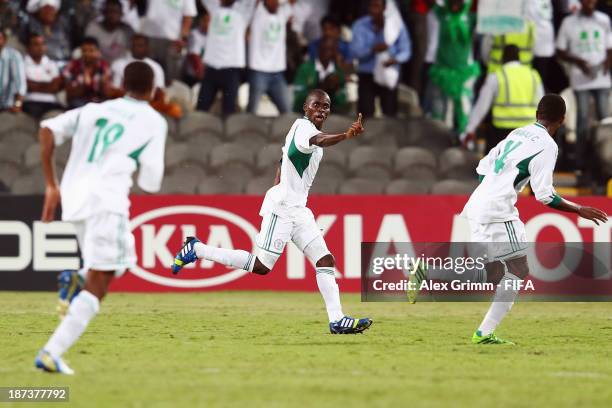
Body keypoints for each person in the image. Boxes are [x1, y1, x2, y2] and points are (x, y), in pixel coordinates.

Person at [409, 94, 608, 344]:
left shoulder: (517, 133)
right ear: (563, 120)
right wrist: (579, 209)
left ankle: (430, 272)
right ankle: (484, 332)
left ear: (537, 114)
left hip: (477, 204)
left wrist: (493, 190)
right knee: (518, 269)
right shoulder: (547, 145)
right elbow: (545, 195)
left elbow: (483, 168)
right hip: (498, 210)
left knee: (494, 273)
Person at [172, 89, 373, 335]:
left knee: (325, 260)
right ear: (306, 108)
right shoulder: (304, 128)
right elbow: (318, 141)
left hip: (298, 209)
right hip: (283, 209)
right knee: (262, 266)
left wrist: (278, 183)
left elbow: (283, 159)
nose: (321, 110)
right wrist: (346, 135)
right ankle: (197, 249)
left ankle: (337, 319)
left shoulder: (305, 130)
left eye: (326, 106)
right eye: (316, 105)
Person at [34, 61, 167, 375]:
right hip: (107, 200)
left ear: (123, 85)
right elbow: (151, 182)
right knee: (103, 279)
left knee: (113, 265)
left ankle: (78, 278)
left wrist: (51, 184)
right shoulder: (153, 121)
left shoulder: (93, 110)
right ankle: (51, 352)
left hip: (75, 198)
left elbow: (46, 130)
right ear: (153, 90)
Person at [556, 0, 612, 183]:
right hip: (580, 80)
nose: (589, 2)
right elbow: (560, 51)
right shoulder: (569, 23)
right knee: (581, 122)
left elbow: (610, 48)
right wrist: (579, 62)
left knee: (605, 121)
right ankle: (581, 164)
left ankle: (606, 163)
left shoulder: (604, 20)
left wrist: (606, 63)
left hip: (601, 79)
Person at [462, 45, 544, 152]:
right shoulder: (533, 75)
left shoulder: (497, 76)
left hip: (501, 133)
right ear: (519, 58)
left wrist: (470, 129)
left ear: (503, 58)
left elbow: (481, 106)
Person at [350, 0, 411, 117]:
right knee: (365, 116)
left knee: (390, 114)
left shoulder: (396, 26)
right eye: (371, 6)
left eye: (377, 6)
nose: (373, 10)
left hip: (388, 73)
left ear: (384, 8)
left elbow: (406, 50)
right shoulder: (360, 25)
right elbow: (355, 52)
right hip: (367, 73)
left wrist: (395, 59)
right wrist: (372, 50)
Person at [427, 0, 479, 134]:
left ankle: (465, 136)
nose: (455, 3)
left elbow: (487, 18)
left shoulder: (471, 17)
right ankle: (445, 137)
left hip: (464, 71)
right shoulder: (441, 14)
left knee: (464, 105)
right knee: (445, 107)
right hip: (444, 70)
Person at [197, 0, 257, 115]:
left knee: (229, 112)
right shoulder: (214, 7)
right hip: (211, 67)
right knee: (201, 108)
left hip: (231, 69)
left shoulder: (243, 12)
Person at [111, 34, 182, 118]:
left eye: (140, 45)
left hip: (148, 105)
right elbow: (115, 90)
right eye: (134, 45)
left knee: (175, 110)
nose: (136, 48)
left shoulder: (156, 67)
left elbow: (159, 93)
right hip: (124, 103)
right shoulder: (118, 64)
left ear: (147, 48)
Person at [246, 0, 295, 114]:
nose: (275, 3)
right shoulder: (257, 12)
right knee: (251, 113)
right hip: (258, 72)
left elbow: (292, 2)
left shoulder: (282, 13)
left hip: (277, 74)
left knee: (288, 112)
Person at [140, 0, 197, 82]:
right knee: (147, 73)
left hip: (173, 39)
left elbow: (188, 16)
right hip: (148, 36)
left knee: (171, 77)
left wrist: (182, 39)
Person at [293, 38, 348, 113]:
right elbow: (298, 98)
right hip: (304, 114)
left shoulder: (338, 72)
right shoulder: (305, 68)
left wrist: (334, 90)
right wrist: (321, 88)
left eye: (331, 49)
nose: (327, 53)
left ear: (335, 52)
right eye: (324, 49)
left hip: (331, 116)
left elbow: (343, 101)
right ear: (319, 50)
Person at [23, 32, 63, 118]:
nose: (40, 47)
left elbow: (55, 87)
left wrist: (34, 85)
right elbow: (26, 85)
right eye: (36, 44)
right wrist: (47, 85)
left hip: (51, 102)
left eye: (42, 44)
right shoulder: (21, 64)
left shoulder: (52, 64)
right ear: (28, 48)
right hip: (31, 102)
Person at [85, 0, 134, 65]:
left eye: (116, 12)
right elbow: (87, 51)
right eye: (110, 11)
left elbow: (133, 53)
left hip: (120, 67)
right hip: (98, 66)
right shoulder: (93, 28)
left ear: (121, 14)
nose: (113, 15)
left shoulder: (127, 30)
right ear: (103, 13)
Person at [0, 28, 26, 113]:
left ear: (4, 40)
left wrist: (17, 104)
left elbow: (20, 84)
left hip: (6, 107)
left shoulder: (13, 56)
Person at [184, 11, 210, 87]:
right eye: (206, 21)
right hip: (193, 76)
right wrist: (203, 76)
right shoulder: (194, 34)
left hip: (207, 76)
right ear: (201, 21)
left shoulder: (212, 36)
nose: (208, 24)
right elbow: (194, 56)